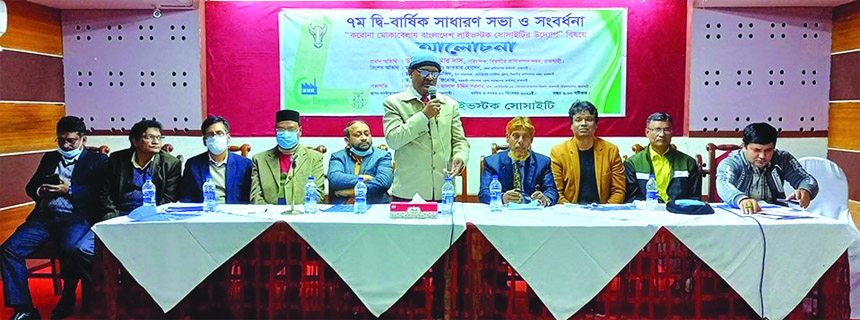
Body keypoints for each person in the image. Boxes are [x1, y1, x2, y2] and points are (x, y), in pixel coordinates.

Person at [1, 116, 108, 320]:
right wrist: (41, 191)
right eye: (61, 140)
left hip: (75, 216)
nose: (66, 145)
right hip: (44, 217)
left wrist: (70, 190)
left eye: (71, 141)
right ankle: (24, 308)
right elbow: (30, 187)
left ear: (83, 140)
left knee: (71, 248)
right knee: (8, 249)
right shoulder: (50, 158)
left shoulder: (97, 160)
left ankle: (70, 295)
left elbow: (102, 193)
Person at [383, 49, 470, 201]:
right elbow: (394, 140)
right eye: (424, 72)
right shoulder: (394, 103)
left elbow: (459, 141)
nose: (430, 78)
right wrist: (424, 116)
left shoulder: (450, 105)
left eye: (435, 74)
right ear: (411, 72)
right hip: (408, 192)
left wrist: (460, 157)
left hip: (444, 191)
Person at [716, 122, 818, 214]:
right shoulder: (731, 162)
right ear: (744, 146)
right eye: (756, 150)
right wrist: (741, 199)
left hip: (776, 216)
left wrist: (805, 190)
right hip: (739, 213)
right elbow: (724, 185)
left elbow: (807, 179)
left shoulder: (783, 159)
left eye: (768, 150)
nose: (762, 156)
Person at [101, 119, 182, 218]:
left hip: (153, 215)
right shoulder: (117, 159)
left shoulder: (170, 163)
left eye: (159, 137)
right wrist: (112, 214)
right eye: (150, 137)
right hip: (119, 213)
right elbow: (106, 192)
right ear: (135, 141)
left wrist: (152, 216)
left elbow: (169, 198)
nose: (156, 142)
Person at [550, 100, 625, 204]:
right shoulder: (558, 152)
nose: (583, 124)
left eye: (589, 119)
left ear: (596, 125)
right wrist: (572, 212)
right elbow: (556, 192)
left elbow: (618, 190)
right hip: (570, 211)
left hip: (604, 212)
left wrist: (607, 211)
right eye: (578, 120)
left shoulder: (611, 151)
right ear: (571, 125)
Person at [250, 109, 324, 205]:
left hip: (302, 214)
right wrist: (270, 212)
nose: (286, 133)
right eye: (281, 129)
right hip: (269, 214)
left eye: (291, 129)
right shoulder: (259, 160)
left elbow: (318, 195)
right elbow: (255, 196)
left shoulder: (314, 158)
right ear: (275, 131)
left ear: (300, 131)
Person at [479, 117, 558, 206]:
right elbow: (484, 194)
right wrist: (501, 198)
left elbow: (552, 191)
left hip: (533, 212)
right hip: (505, 213)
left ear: (531, 140)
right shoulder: (492, 163)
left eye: (525, 137)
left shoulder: (543, 163)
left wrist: (545, 199)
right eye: (516, 136)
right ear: (507, 138)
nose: (520, 141)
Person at [625, 112, 702, 202]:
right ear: (647, 132)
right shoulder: (633, 163)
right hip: (646, 212)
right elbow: (631, 199)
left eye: (667, 130)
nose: (662, 134)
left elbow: (694, 198)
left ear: (672, 133)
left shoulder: (688, 162)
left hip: (679, 212)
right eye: (657, 129)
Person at [179, 116, 253, 204]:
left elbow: (249, 198)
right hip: (203, 213)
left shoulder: (245, 165)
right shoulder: (193, 165)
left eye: (219, 133)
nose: (215, 138)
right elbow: (186, 198)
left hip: (233, 213)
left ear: (228, 138)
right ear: (204, 141)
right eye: (210, 134)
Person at [327, 120, 393, 204]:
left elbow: (383, 182)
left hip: (375, 206)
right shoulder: (338, 157)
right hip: (343, 207)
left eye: (367, 134)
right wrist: (365, 178)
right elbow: (335, 179)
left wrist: (351, 192)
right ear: (347, 140)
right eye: (358, 135)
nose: (364, 138)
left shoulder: (383, 156)